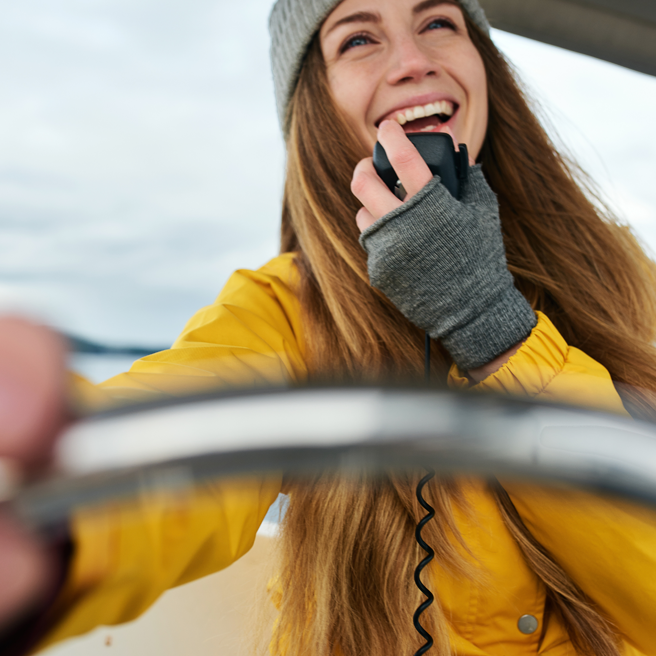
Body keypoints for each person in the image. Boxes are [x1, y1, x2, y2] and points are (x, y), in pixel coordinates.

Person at [2, 0, 656, 653]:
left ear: (486, 66)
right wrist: (56, 520)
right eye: (358, 40)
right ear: (313, 103)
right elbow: (186, 441)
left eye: (437, 23)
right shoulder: (287, 309)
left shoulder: (629, 281)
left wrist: (492, 322)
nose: (412, 62)